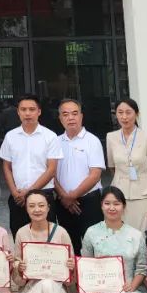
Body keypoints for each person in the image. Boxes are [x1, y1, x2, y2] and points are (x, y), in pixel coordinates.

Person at [13, 189, 91, 293]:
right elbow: (17, 279)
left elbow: (71, 277)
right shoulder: (22, 233)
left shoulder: (61, 233)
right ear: (26, 208)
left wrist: (71, 267)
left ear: (48, 207)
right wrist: (19, 268)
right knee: (43, 284)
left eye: (41, 205)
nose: (37, 209)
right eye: (32, 206)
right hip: (30, 289)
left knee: (48, 284)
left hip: (58, 290)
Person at [81, 186, 147, 293]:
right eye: (107, 203)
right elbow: (86, 264)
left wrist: (133, 285)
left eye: (116, 204)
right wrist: (91, 288)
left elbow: (142, 267)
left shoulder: (136, 235)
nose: (112, 208)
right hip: (101, 289)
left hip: (129, 288)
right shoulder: (91, 233)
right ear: (101, 206)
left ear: (124, 206)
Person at [0, 95, 62, 236]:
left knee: (46, 238)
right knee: (20, 238)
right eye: (23, 109)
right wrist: (14, 192)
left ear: (39, 112)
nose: (27, 113)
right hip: (18, 198)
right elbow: (6, 167)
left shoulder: (50, 136)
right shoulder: (11, 136)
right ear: (18, 112)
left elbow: (51, 169)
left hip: (43, 196)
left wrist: (29, 192)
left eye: (32, 109)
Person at [53, 99, 104, 253]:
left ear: (81, 116)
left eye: (75, 113)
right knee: (69, 247)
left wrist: (72, 196)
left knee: (94, 246)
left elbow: (95, 175)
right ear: (60, 118)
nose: (71, 118)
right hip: (63, 203)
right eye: (65, 114)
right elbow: (51, 173)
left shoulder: (92, 141)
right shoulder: (55, 142)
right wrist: (64, 197)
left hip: (89, 202)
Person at [106, 97, 147, 232]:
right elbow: (112, 167)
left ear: (137, 114)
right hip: (118, 195)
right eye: (120, 112)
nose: (124, 117)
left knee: (141, 235)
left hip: (143, 195)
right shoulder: (111, 137)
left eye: (128, 112)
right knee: (119, 233)